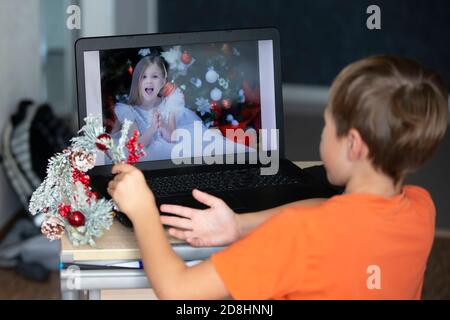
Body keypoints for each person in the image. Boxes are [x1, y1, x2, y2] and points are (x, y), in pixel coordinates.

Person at [107, 55, 448, 299]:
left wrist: (144, 209)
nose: (322, 134)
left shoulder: (295, 238)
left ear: (354, 145)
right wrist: (238, 225)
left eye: (328, 124)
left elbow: (178, 290)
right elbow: (333, 209)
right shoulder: (421, 208)